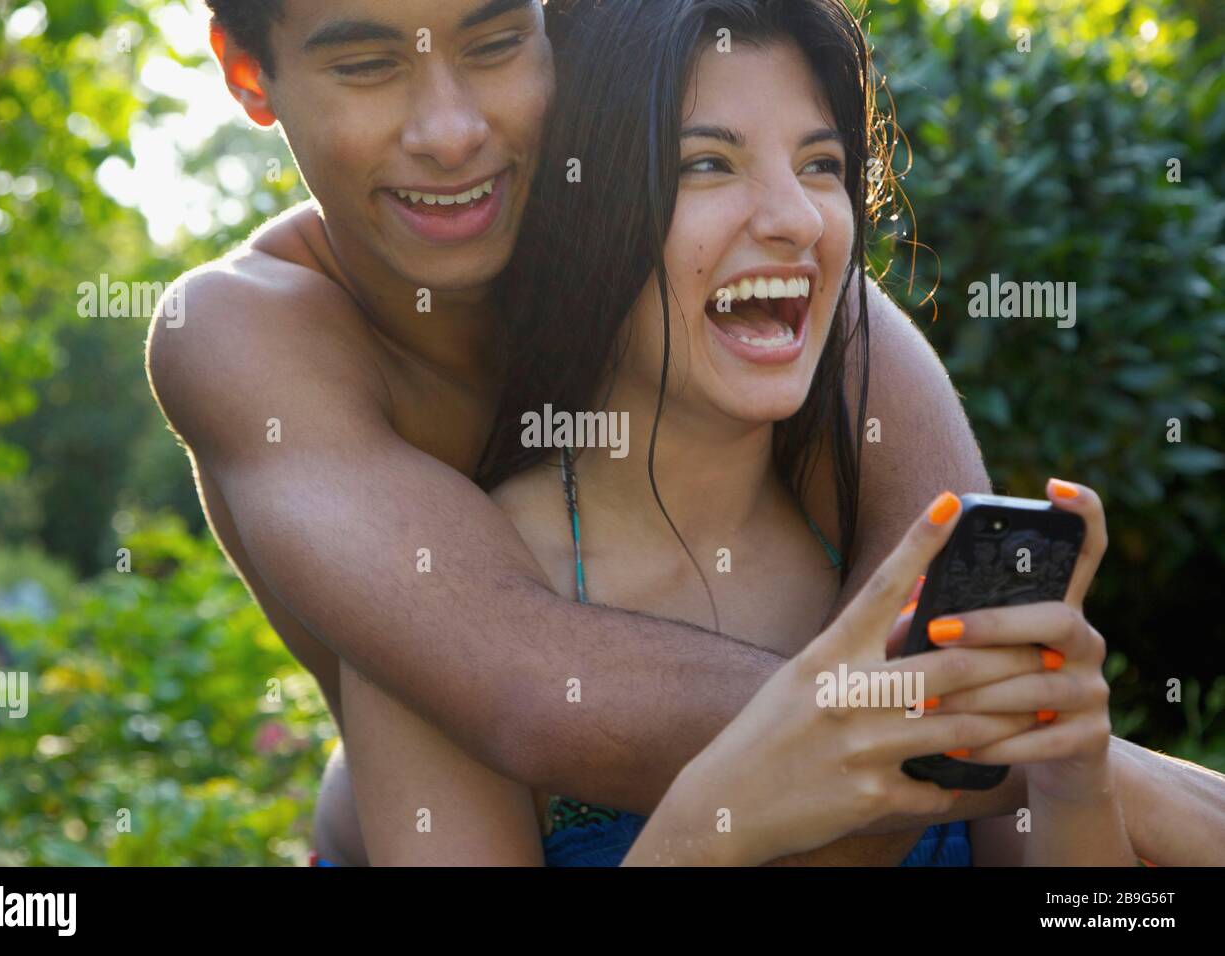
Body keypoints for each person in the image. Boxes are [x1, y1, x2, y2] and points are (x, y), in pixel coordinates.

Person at [145, 0, 1225, 865]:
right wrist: (974, 727)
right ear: (250, 75)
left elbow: (945, 652)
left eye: (493, 41)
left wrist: (1058, 756)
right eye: (366, 65)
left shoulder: (760, 254)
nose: (451, 131)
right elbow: (527, 686)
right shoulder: (252, 328)